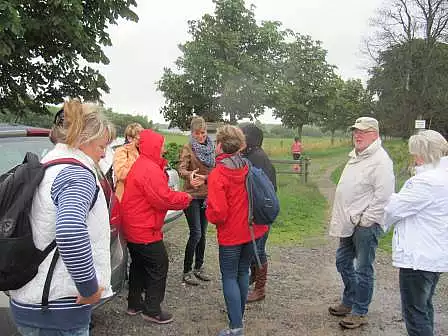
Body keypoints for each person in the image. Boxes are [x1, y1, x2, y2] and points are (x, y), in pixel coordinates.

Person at [9, 100, 116, 336]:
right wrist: (89, 289)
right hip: (56, 309)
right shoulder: (77, 174)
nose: (104, 153)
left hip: (30, 300)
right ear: (84, 140)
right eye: (102, 145)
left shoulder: (47, 165)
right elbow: (69, 231)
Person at [328, 117, 395, 329]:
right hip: (349, 222)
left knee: (363, 268)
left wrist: (366, 220)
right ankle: (349, 301)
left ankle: (359, 311)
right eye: (355, 131)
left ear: (374, 134)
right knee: (342, 262)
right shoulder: (356, 155)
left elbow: (384, 196)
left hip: (366, 224)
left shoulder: (380, 160)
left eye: (363, 132)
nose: (357, 135)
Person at [120, 129, 192, 324]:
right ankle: (152, 310)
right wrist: (186, 197)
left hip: (133, 225)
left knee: (139, 264)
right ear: (153, 146)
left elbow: (157, 194)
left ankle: (134, 304)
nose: (163, 149)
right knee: (159, 264)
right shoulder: (149, 169)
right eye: (161, 145)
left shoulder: (143, 164)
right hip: (143, 228)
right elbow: (163, 198)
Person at [383, 130, 448, 336]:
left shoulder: (424, 182)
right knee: (425, 306)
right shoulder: (443, 177)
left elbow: (394, 208)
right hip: (434, 252)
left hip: (418, 256)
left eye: (414, 153)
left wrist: (391, 196)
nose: (413, 157)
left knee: (415, 312)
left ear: (421, 154)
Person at [206, 125, 269, 336]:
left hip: (231, 235)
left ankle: (235, 327)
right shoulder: (247, 166)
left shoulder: (219, 173)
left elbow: (219, 214)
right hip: (252, 232)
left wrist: (208, 211)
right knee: (243, 272)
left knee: (229, 276)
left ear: (221, 145)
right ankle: (238, 316)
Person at [240, 124, 277, 303]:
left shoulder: (257, 158)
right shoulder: (251, 155)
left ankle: (260, 289)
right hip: (257, 212)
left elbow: (261, 192)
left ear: (250, 139)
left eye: (243, 135)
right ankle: (253, 277)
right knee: (254, 248)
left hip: (260, 213)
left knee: (258, 250)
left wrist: (254, 214)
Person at [178, 116, 214, 286]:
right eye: (197, 133)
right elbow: (181, 169)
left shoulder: (212, 147)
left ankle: (199, 267)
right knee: (196, 233)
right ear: (192, 133)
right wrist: (190, 175)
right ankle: (186, 271)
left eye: (204, 133)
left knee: (203, 234)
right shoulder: (188, 147)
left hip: (206, 195)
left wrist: (206, 177)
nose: (201, 136)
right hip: (192, 195)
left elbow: (216, 171)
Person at [113, 123, 144, 201]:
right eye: (138, 138)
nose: (141, 141)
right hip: (124, 198)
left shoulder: (142, 151)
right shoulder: (121, 151)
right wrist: (133, 153)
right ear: (129, 138)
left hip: (140, 199)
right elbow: (121, 175)